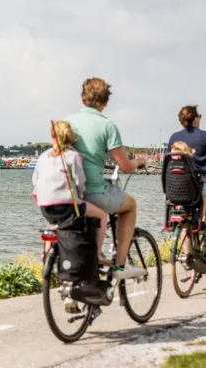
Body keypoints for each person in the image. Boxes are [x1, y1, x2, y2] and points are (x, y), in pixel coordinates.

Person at [65, 78, 147, 280]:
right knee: (130, 206)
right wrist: (138, 162)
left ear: (82, 97)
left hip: (70, 193)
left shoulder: (67, 123)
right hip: (95, 191)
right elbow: (125, 166)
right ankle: (120, 265)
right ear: (105, 102)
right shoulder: (107, 126)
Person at [32, 120, 109, 314]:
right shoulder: (73, 156)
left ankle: (48, 252)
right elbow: (79, 183)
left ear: (52, 137)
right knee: (101, 215)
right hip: (68, 206)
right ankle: (98, 254)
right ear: (71, 138)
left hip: (45, 206)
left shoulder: (42, 157)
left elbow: (35, 181)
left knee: (57, 226)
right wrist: (83, 195)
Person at [167, 105, 206, 261]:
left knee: (185, 218)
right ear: (196, 118)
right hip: (202, 187)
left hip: (176, 190)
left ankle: (187, 255)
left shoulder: (173, 138)